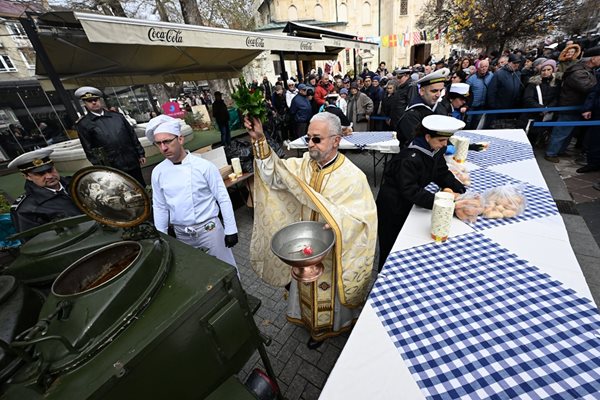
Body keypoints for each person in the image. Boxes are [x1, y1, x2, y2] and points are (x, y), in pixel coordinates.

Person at [245, 112, 377, 348]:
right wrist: (260, 140)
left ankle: (330, 329)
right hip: (305, 246)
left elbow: (364, 220)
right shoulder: (302, 164)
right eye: (308, 138)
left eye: (317, 139)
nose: (310, 144)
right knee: (304, 287)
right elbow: (274, 176)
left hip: (334, 251)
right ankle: (308, 322)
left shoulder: (353, 177)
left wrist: (337, 223)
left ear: (336, 141)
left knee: (329, 296)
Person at [376, 115, 466, 270]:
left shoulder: (434, 149)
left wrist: (460, 189)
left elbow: (441, 172)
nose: (444, 145)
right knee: (391, 246)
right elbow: (410, 190)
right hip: (392, 207)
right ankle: (383, 274)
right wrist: (442, 202)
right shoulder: (409, 158)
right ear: (427, 137)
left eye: (446, 140)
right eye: (441, 141)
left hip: (407, 202)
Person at [146, 115, 238, 266]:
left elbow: (222, 197)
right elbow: (160, 206)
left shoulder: (204, 166)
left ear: (180, 139)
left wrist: (231, 229)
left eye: (167, 141)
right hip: (182, 235)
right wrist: (162, 238)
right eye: (159, 143)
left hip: (210, 231)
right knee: (198, 269)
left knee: (225, 267)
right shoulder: (158, 172)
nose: (163, 148)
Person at [75, 86, 147, 186]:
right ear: (85, 104)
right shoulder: (84, 124)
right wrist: (101, 168)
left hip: (131, 160)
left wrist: (140, 153)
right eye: (89, 101)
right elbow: (89, 149)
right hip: (112, 166)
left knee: (140, 185)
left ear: (100, 100)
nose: (94, 103)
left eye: (95, 99)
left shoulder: (117, 117)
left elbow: (132, 135)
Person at [545, 47, 600, 163]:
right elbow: (589, 88)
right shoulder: (578, 72)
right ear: (593, 58)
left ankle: (560, 150)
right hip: (569, 105)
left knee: (569, 132)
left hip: (577, 106)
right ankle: (551, 152)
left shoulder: (589, 70)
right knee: (561, 131)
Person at [8, 149, 82, 233]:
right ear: (27, 176)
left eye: (50, 170)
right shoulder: (25, 210)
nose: (49, 176)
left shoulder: (79, 182)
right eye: (40, 173)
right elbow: (34, 242)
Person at [397, 68, 450, 147]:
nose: (438, 95)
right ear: (422, 91)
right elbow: (417, 143)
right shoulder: (412, 115)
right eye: (434, 91)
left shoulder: (439, 107)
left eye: (440, 90)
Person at [465, 60, 493, 129]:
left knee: (477, 122)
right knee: (468, 121)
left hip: (483, 105)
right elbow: (466, 93)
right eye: (482, 67)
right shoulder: (471, 79)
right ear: (478, 67)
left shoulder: (491, 76)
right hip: (472, 105)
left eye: (486, 66)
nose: (484, 68)